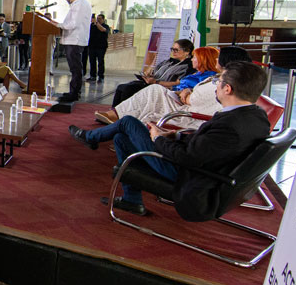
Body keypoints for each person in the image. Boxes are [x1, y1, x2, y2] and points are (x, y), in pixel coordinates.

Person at [68, 61, 271, 218]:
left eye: (219, 82)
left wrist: (157, 139)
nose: (216, 85)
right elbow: (210, 146)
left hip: (188, 175)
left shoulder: (230, 125)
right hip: (205, 169)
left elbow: (188, 157)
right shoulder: (257, 117)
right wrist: (176, 135)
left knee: (128, 122)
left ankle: (90, 137)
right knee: (122, 137)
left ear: (228, 89)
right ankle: (132, 200)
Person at [95, 47, 249, 128]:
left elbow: (196, 98)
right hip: (184, 100)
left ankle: (119, 124)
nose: (217, 59)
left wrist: (186, 94)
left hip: (190, 113)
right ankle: (116, 116)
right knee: (139, 90)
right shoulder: (217, 78)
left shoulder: (221, 82)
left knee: (150, 95)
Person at [112, 39, 195, 107]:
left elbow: (178, 83)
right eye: (172, 49)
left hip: (162, 88)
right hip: (152, 83)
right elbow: (155, 72)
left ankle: (121, 114)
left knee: (128, 89)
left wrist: (156, 82)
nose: (173, 52)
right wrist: (149, 75)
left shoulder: (188, 66)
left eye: (176, 50)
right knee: (121, 87)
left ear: (187, 52)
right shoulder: (169, 61)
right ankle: (114, 112)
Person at [46, 0, 92, 102]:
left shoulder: (80, 5)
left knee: (75, 68)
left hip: (74, 40)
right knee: (75, 68)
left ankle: (74, 93)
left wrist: (57, 24)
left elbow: (73, 24)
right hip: (73, 39)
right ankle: (74, 91)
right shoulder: (78, 4)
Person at [85, 13, 111, 83]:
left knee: (100, 62)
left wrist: (96, 23)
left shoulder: (106, 26)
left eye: (100, 19)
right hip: (92, 46)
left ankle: (101, 77)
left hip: (101, 47)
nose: (98, 20)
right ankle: (93, 76)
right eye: (97, 19)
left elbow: (103, 30)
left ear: (103, 19)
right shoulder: (92, 26)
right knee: (92, 62)